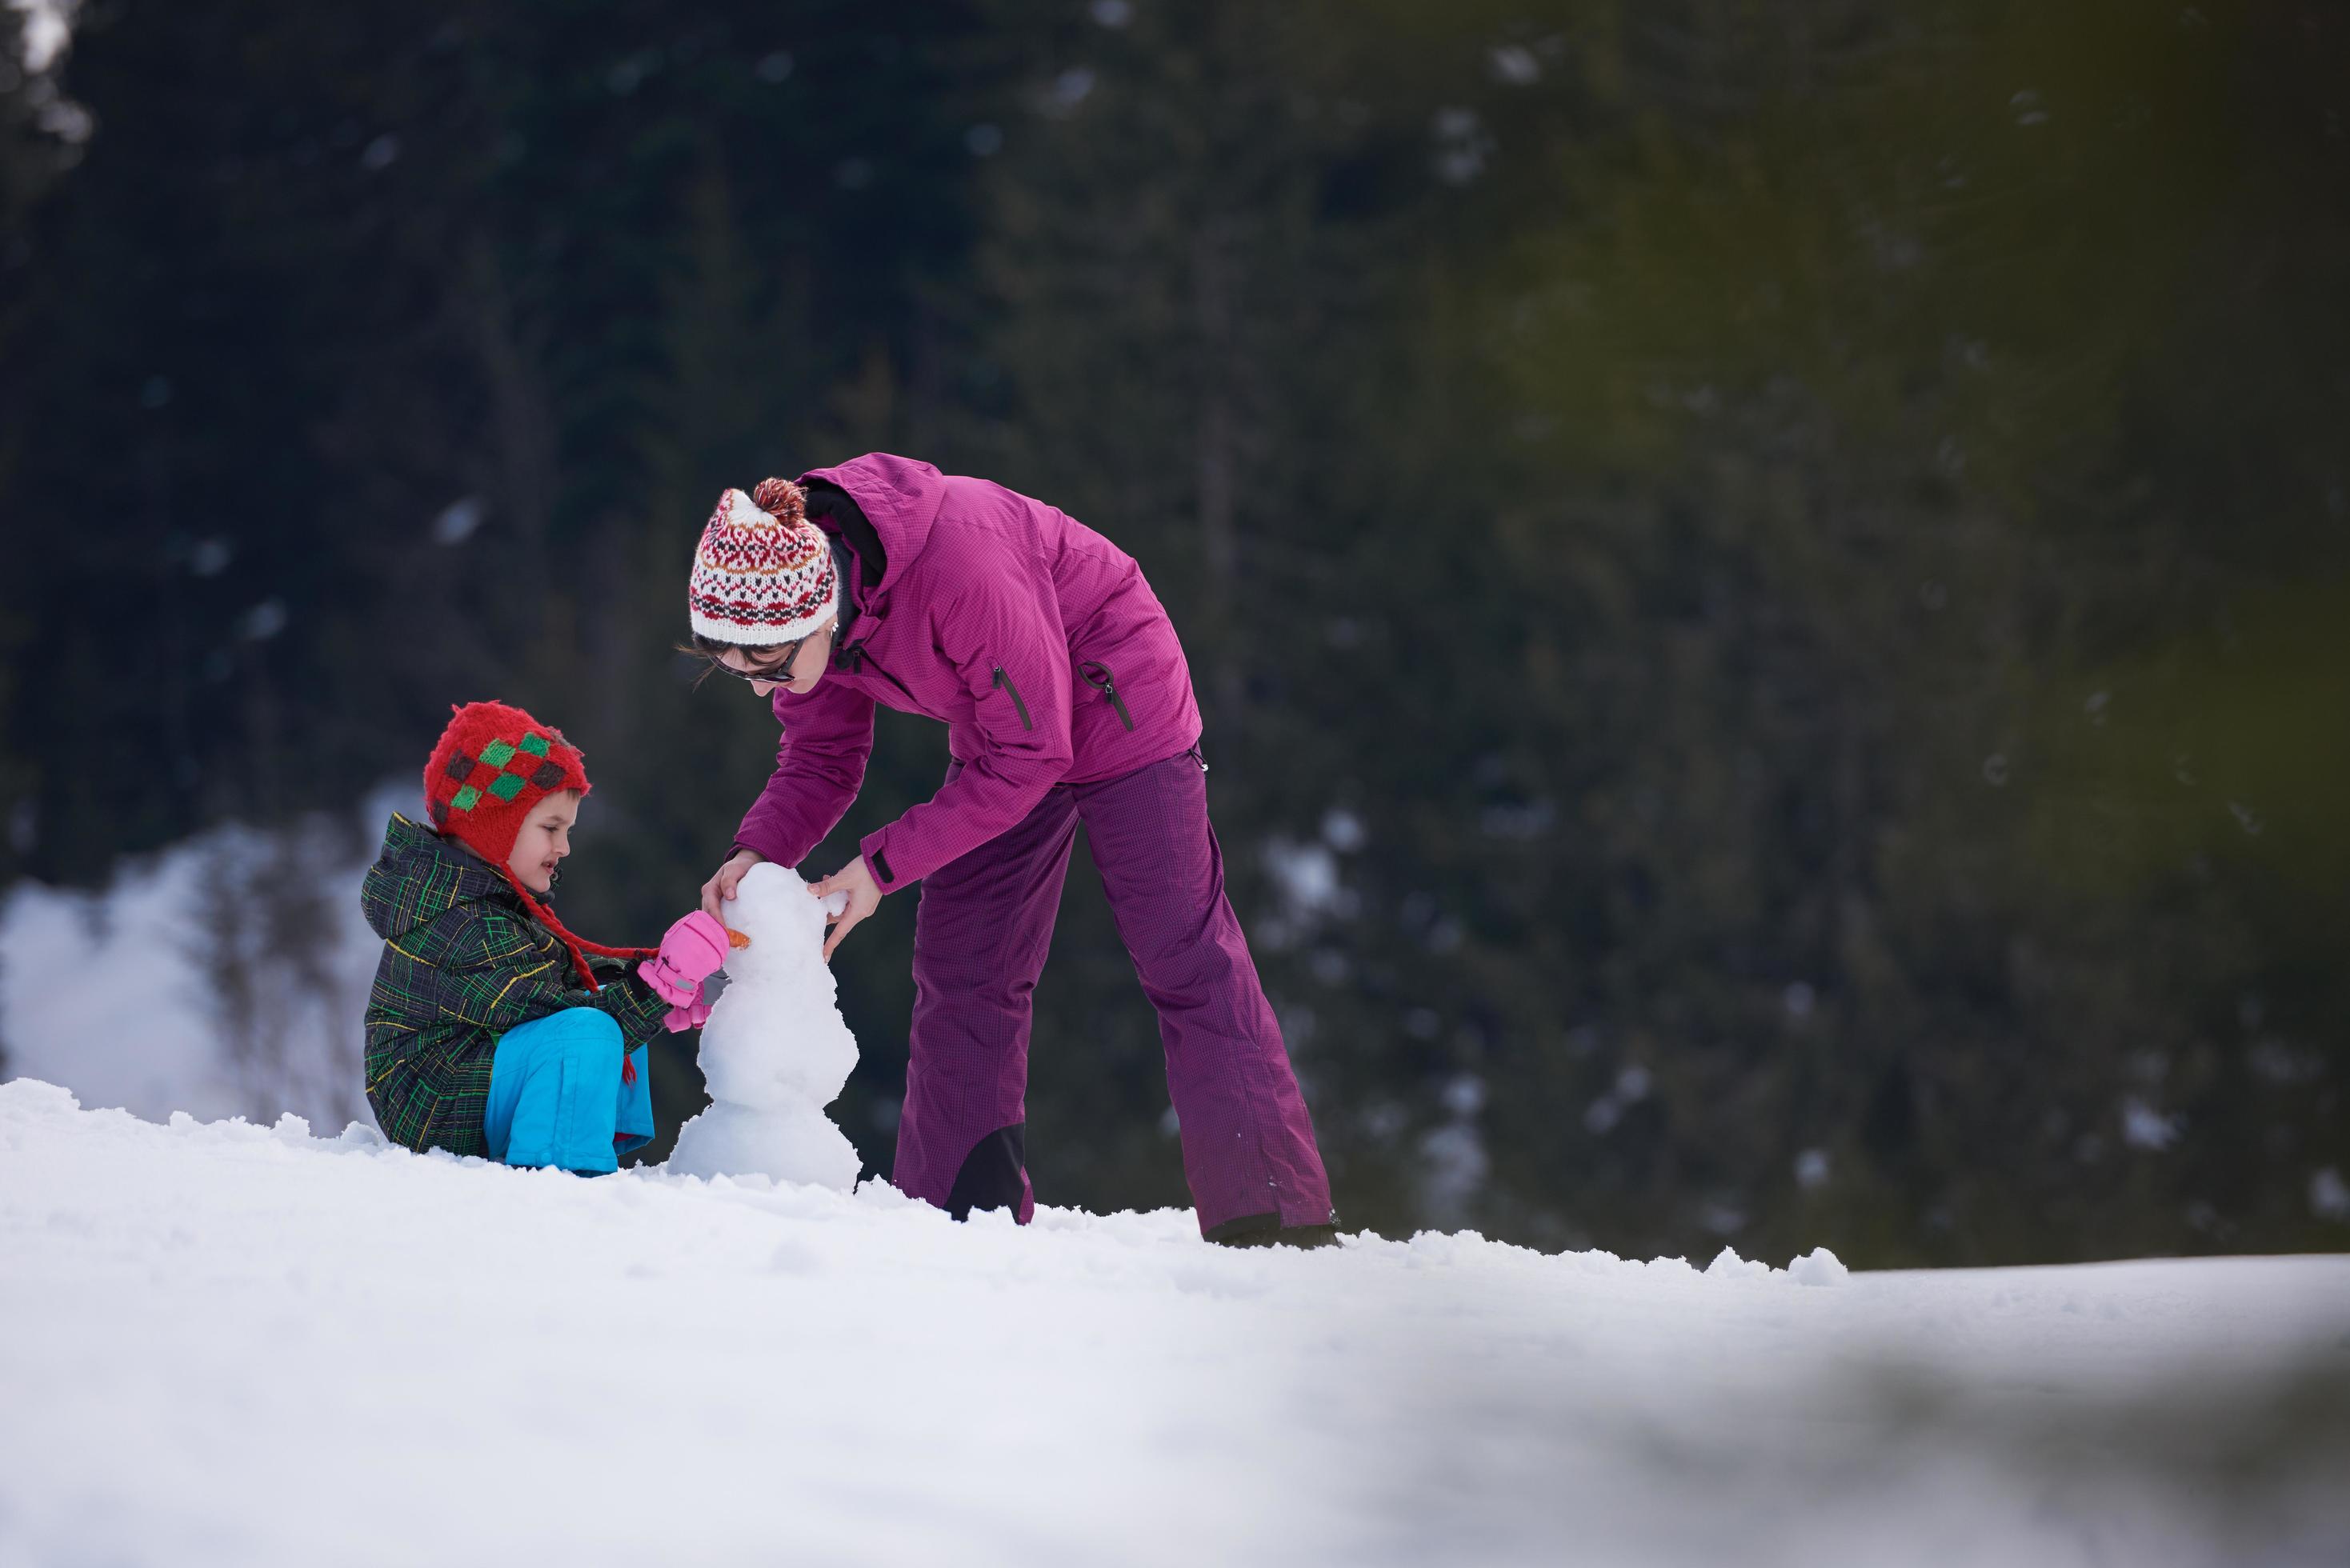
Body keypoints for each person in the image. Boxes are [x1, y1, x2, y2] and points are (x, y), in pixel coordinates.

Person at [685, 454, 1336, 1245]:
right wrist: (756, 853)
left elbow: (1036, 752)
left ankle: (1271, 1214)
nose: (763, 688)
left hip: (1118, 694)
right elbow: (822, 760)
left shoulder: (959, 566)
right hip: (1010, 730)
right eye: (740, 672)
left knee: (1181, 952)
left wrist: (880, 867)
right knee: (965, 961)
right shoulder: (813, 610)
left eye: (770, 666)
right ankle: (961, 1214)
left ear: (816, 613)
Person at [362, 700, 730, 1173]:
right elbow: (556, 1014)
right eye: (551, 828)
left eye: (567, 830)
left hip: (466, 1077)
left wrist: (661, 995)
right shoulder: (465, 922)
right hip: (433, 1099)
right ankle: (560, 1178)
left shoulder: (489, 902)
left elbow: (563, 992)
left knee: (601, 1019)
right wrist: (657, 987)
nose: (564, 847)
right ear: (495, 825)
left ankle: (571, 1147)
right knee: (589, 1032)